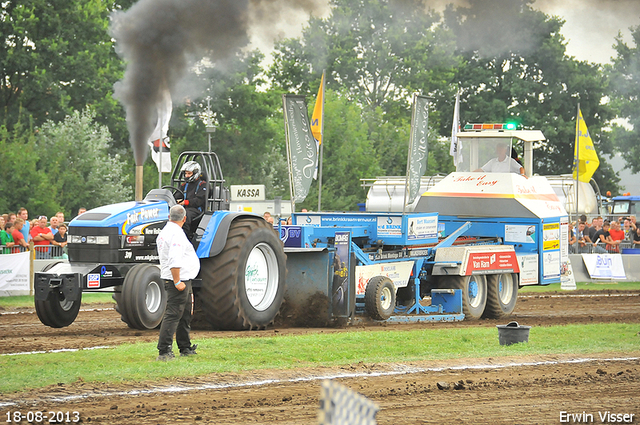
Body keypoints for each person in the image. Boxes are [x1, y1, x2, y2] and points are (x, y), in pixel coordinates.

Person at [155, 205, 200, 361]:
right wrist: (177, 280)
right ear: (184, 218)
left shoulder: (165, 232)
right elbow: (174, 260)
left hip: (183, 278)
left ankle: (185, 346)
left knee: (184, 314)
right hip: (178, 279)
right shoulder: (176, 235)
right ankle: (164, 350)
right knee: (173, 314)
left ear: (169, 217)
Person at [175, 161, 206, 237]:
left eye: (189, 173)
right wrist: (176, 200)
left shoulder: (203, 185)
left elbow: (199, 201)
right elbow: (176, 195)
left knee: (185, 214)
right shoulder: (185, 185)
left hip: (197, 210)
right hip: (184, 208)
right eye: (186, 173)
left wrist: (185, 202)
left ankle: (184, 237)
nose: (187, 175)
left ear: (196, 173)